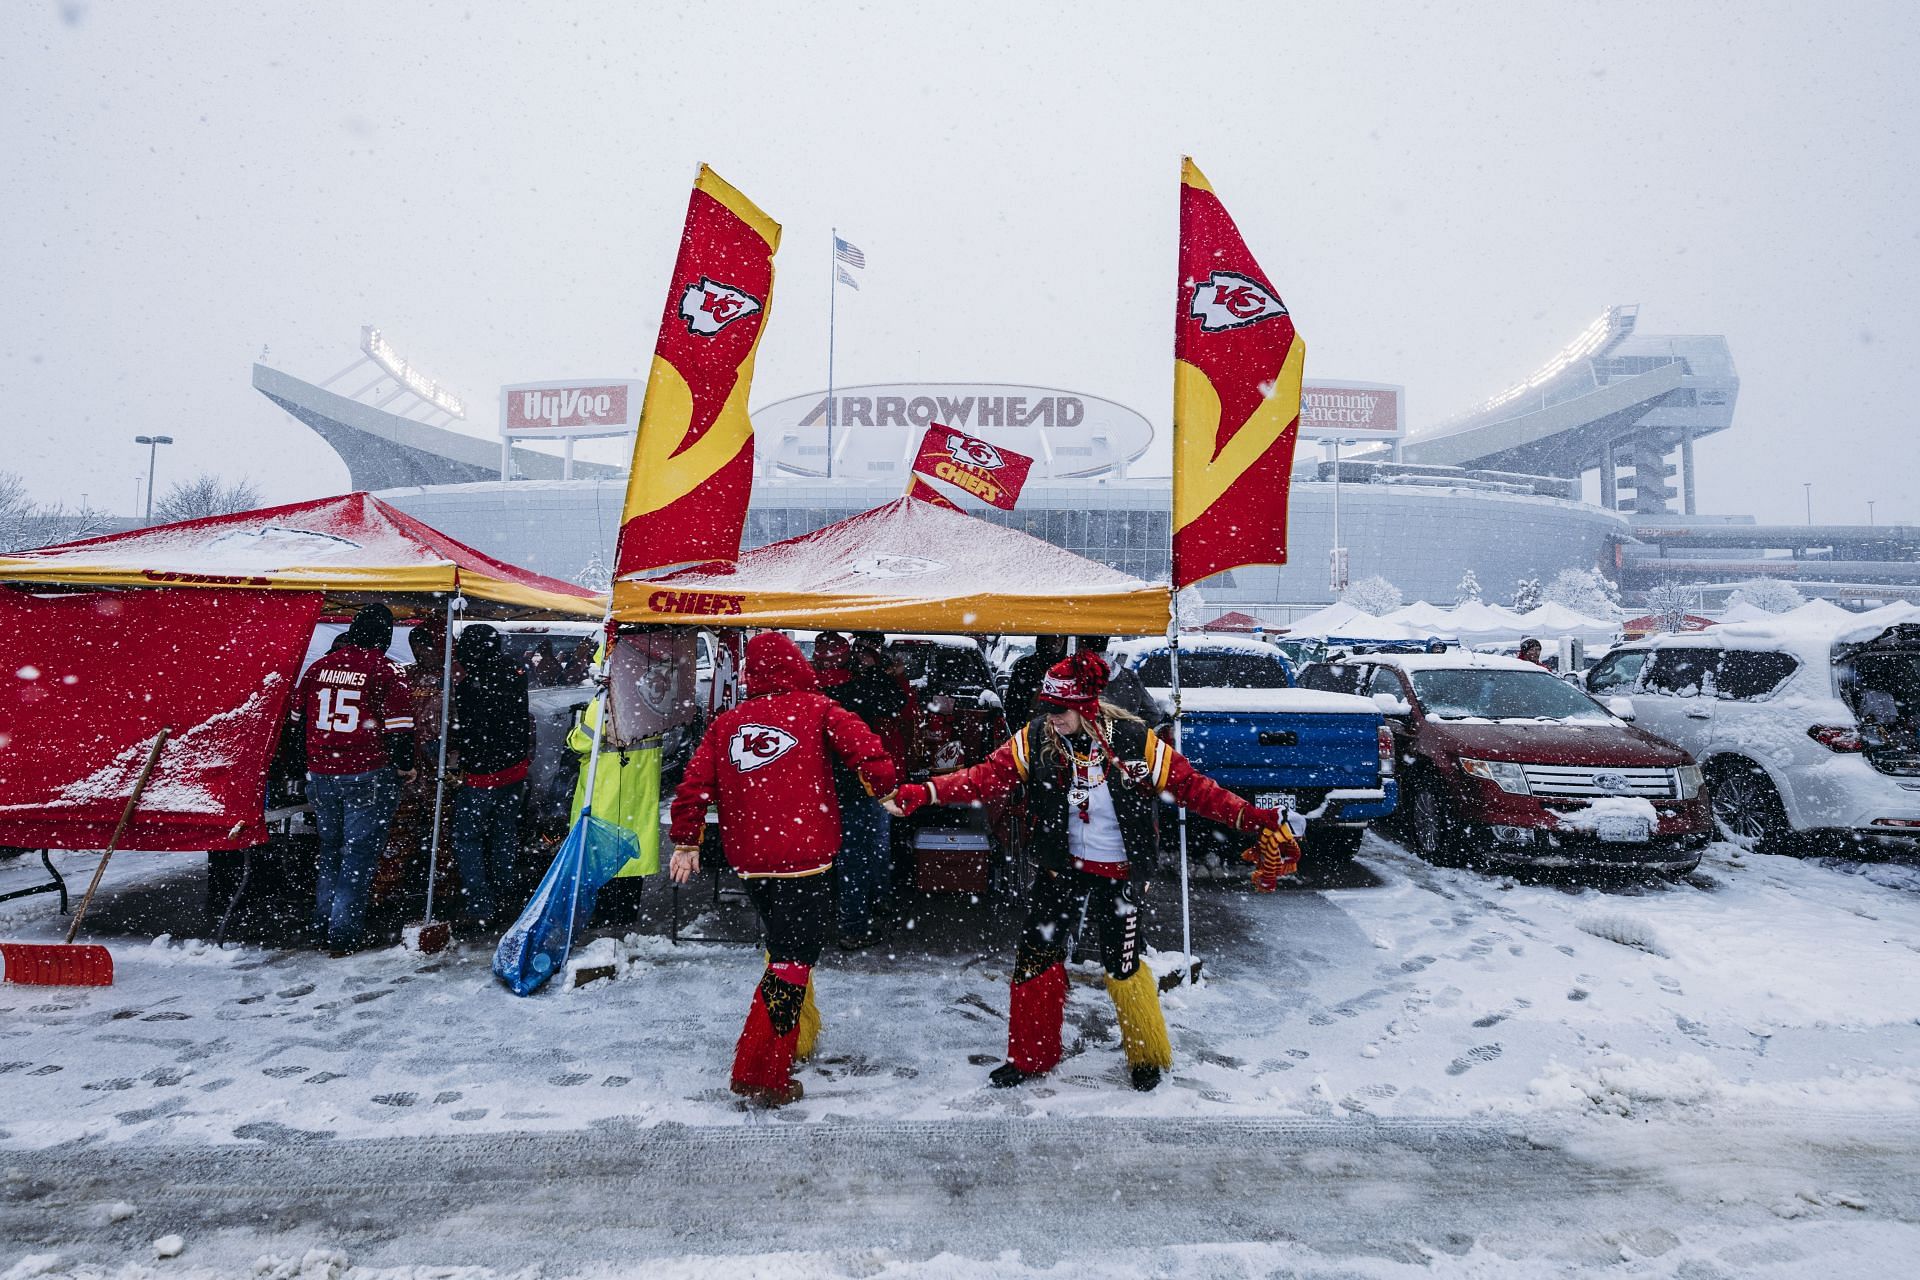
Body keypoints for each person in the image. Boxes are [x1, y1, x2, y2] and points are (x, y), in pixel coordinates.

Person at [886, 649, 1298, 1093]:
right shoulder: (1036, 739)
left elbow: (1194, 788)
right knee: (1034, 960)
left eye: (1059, 711)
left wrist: (1252, 819)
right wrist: (923, 793)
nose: (1051, 718)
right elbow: (985, 777)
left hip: (1120, 873)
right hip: (1060, 871)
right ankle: (1030, 1056)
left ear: (1084, 708)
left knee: (1121, 965)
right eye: (1046, 709)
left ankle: (1145, 1055)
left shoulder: (1135, 742)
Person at [668, 631, 899, 1107]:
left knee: (781, 951)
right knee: (793, 962)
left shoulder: (726, 723)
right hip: (806, 859)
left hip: (751, 863)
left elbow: (692, 786)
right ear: (798, 663)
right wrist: (884, 788)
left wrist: (688, 841)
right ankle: (761, 1069)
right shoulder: (820, 709)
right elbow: (869, 751)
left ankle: (790, 1043)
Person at [294, 603, 414, 955]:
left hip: (321, 773)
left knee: (330, 851)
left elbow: (297, 719)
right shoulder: (387, 671)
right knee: (357, 856)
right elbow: (400, 730)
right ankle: (343, 934)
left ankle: (322, 924)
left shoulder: (319, 667)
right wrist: (406, 766)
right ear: (385, 635)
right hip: (366, 772)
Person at [812, 632, 908, 948]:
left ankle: (812, 923)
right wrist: (878, 672)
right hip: (855, 785)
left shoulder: (808, 690)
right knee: (858, 857)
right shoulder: (859, 687)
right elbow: (896, 704)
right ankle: (853, 926)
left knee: (815, 859)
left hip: (815, 787)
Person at [446, 624, 534, 930]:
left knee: (467, 838)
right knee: (504, 833)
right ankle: (506, 893)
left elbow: (470, 724)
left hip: (481, 771)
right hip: (514, 768)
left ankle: (481, 903)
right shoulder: (515, 670)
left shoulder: (471, 679)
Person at [1075, 635, 1164, 724]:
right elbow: (1153, 714)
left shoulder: (1075, 677)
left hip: (1093, 735)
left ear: (1081, 646)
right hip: (1126, 735)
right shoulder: (1129, 676)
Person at [1004, 635, 1066, 727]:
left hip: (1061, 730)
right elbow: (1013, 706)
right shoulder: (1024, 666)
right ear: (1043, 638)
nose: (1057, 640)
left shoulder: (1070, 667)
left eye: (1061, 636)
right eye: (1053, 635)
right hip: (1029, 729)